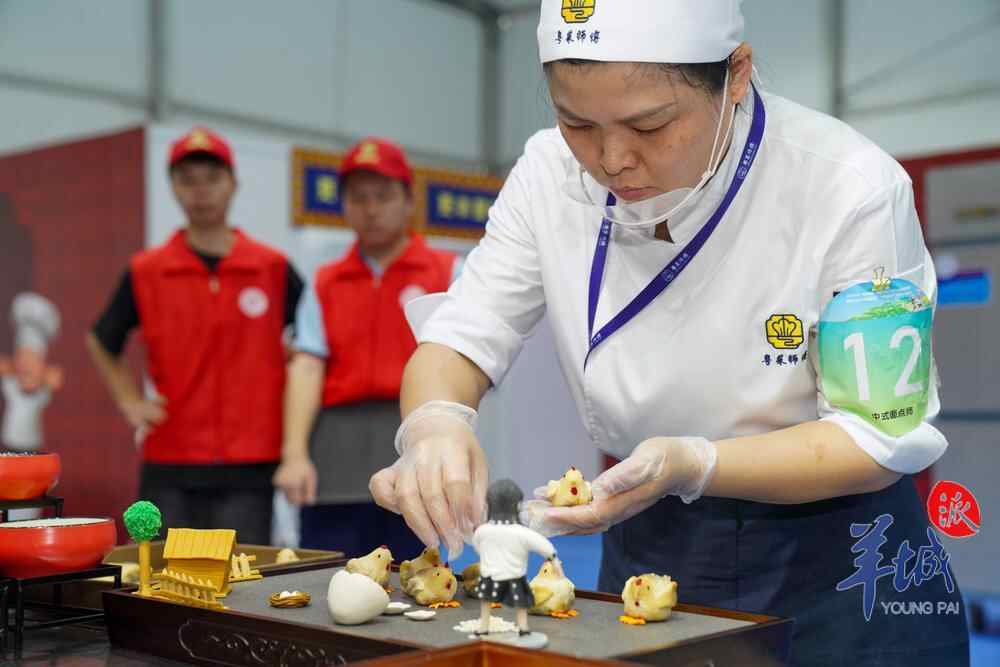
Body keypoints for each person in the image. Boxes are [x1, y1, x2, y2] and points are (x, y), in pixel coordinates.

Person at [370, 2, 969, 664]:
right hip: (647, 538)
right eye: (576, 122)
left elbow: (877, 436)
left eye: (650, 125)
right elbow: (463, 333)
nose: (612, 159)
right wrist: (434, 424)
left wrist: (695, 462)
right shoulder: (547, 172)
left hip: (842, 555)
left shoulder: (848, 186)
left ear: (736, 74)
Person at [87, 127, 304, 545]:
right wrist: (130, 401)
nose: (201, 191)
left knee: (242, 574)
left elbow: (312, 344)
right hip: (172, 459)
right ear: (172, 187)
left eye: (212, 178)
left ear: (233, 184)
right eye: (188, 180)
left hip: (251, 462)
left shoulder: (271, 268)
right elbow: (102, 339)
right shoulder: (148, 271)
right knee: (163, 573)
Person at [274, 138, 461, 558]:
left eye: (383, 196)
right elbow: (306, 367)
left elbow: (467, 363)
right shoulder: (324, 282)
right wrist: (294, 455)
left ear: (409, 200)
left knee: (419, 578)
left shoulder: (448, 272)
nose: (371, 209)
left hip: (416, 447)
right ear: (343, 205)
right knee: (324, 577)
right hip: (334, 458)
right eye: (358, 198)